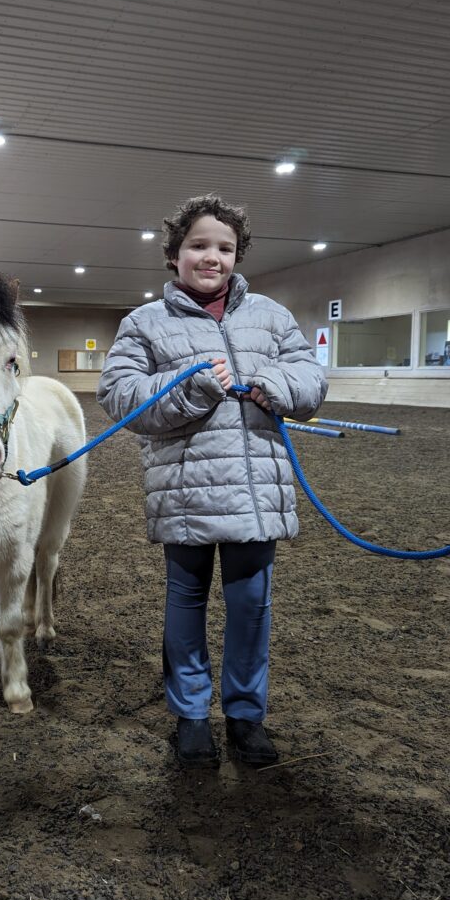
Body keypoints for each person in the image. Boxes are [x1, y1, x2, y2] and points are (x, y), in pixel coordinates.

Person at [97, 194, 328, 769]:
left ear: (237, 255)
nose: (212, 258)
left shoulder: (271, 317)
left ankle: (247, 718)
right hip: (185, 493)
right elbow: (120, 397)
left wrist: (273, 382)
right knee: (186, 604)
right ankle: (192, 717)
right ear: (174, 255)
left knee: (251, 608)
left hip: (256, 494)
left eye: (225, 248)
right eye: (199, 246)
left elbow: (310, 378)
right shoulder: (144, 323)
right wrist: (191, 383)